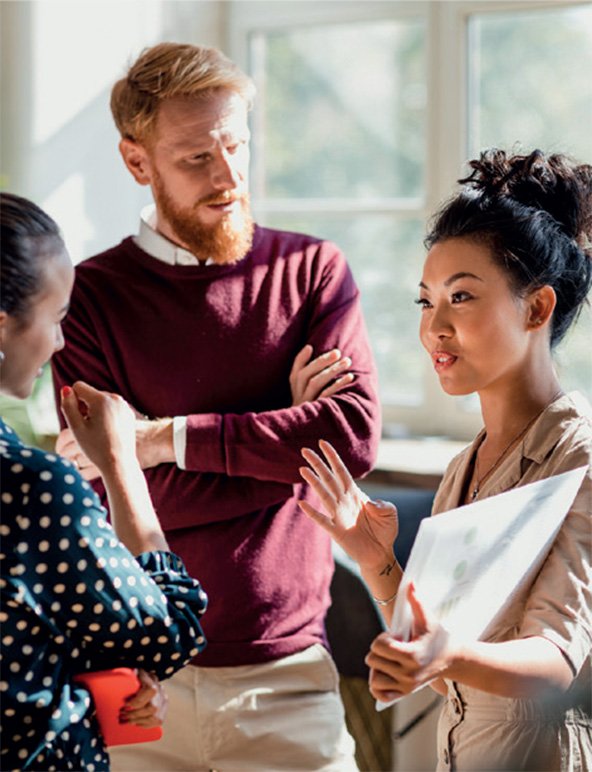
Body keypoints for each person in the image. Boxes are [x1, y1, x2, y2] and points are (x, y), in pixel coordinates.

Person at [51, 42, 381, 770]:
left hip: (289, 679)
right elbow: (106, 497)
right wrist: (282, 454)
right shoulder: (86, 301)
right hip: (138, 683)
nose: (229, 176)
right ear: (138, 163)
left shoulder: (312, 273)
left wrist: (156, 441)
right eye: (197, 158)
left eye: (236, 145)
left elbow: (348, 442)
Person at [299, 149, 592, 771]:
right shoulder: (466, 466)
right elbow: (439, 669)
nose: (435, 326)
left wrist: (447, 655)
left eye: (461, 297)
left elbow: (555, 661)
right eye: (425, 301)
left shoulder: (580, 458)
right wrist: (376, 560)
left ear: (537, 308)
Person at [0, 192, 208, 771]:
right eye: (57, 318)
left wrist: (90, 680)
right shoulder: (33, 489)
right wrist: (121, 464)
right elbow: (170, 634)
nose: (62, 343)